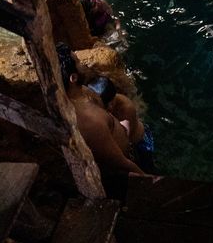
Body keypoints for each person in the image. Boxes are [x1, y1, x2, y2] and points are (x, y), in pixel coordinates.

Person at [56, 43, 148, 184]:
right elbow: (120, 163)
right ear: (73, 78)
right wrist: (149, 180)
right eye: (78, 62)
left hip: (126, 143)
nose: (83, 64)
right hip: (129, 162)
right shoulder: (89, 122)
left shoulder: (82, 92)